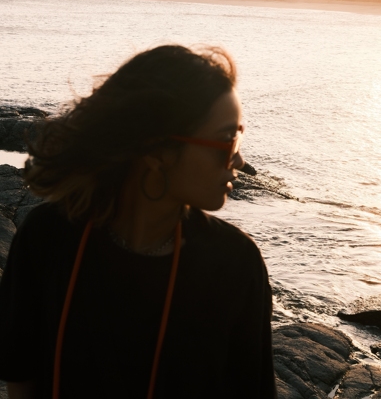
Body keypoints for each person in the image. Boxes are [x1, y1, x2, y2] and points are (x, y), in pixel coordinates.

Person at [0, 45, 277, 399]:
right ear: (157, 151)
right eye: (227, 141)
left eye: (238, 138)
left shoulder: (235, 264)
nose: (238, 161)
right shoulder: (49, 236)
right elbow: (20, 374)